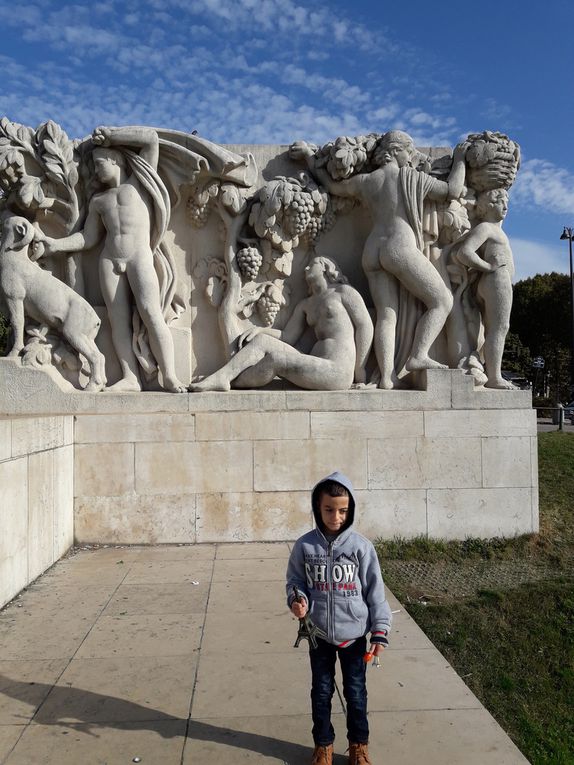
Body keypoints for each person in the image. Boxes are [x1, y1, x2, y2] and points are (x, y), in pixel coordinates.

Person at [293, 131, 468, 388]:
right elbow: (452, 190)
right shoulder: (410, 177)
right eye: (408, 152)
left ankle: (387, 377)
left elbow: (332, 187)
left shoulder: (366, 181)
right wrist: (461, 160)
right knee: (442, 300)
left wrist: (309, 158)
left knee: (387, 315)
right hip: (399, 245)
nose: (410, 158)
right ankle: (418, 355)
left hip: (372, 250)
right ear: (396, 151)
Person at [37, 126, 185, 393]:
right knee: (118, 321)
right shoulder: (98, 201)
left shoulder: (139, 184)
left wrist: (113, 135)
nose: (95, 171)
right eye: (93, 166)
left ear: (115, 160)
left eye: (99, 163)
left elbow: (150, 140)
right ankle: (131, 378)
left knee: (152, 314)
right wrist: (55, 245)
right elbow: (88, 238)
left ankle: (170, 376)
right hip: (110, 260)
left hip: (139, 257)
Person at [286, 471, 392, 765]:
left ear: (351, 510)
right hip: (318, 635)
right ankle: (323, 746)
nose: (336, 517)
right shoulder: (305, 546)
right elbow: (295, 581)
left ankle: (359, 746)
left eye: (343, 510)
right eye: (329, 509)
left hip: (354, 637)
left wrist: (380, 631)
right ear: (317, 508)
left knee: (356, 694)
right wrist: (298, 600)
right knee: (320, 693)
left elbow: (375, 593)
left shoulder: (361, 547)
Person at [189, 255, 373, 391]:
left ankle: (226, 379)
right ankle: (224, 378)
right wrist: (261, 331)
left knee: (276, 359)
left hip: (337, 370)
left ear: (326, 268)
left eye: (312, 265)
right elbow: (288, 337)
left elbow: (365, 325)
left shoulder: (344, 292)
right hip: (316, 363)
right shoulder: (305, 305)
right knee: (262, 342)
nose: (306, 269)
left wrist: (360, 370)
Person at [448, 188, 514, 389]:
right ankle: (494, 377)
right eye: (502, 202)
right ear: (489, 206)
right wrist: (489, 267)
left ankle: (485, 367)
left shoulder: (495, 228)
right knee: (499, 328)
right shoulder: (487, 227)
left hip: (495, 280)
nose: (506, 207)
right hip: (496, 279)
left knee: (496, 328)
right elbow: (464, 253)